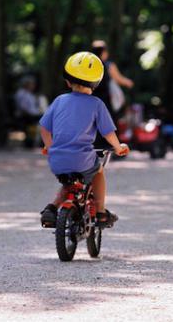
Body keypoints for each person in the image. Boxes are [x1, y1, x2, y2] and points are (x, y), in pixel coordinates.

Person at [38, 51, 129, 228]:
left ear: (67, 80)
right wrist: (118, 147)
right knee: (99, 171)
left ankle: (51, 208)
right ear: (96, 83)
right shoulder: (96, 104)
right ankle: (101, 212)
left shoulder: (59, 100)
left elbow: (44, 128)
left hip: (57, 160)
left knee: (69, 183)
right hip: (82, 160)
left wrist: (50, 147)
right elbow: (108, 132)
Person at [14, 75, 47, 147]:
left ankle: (40, 141)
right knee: (46, 119)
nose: (33, 86)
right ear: (26, 84)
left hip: (30, 115)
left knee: (46, 117)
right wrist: (37, 113)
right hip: (25, 116)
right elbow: (24, 108)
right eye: (32, 84)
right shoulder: (22, 93)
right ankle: (41, 141)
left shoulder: (28, 93)